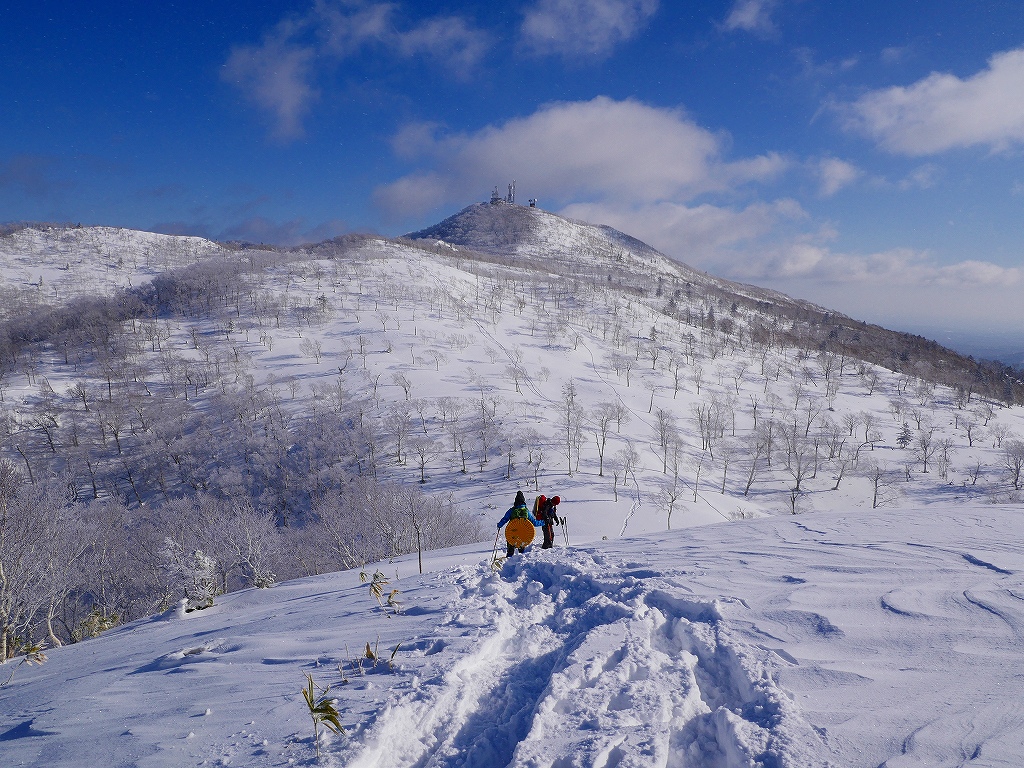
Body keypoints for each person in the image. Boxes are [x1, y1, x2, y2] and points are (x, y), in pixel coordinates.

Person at [496, 490, 542, 557]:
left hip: (512, 533)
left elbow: (505, 519)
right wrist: (543, 522)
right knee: (521, 547)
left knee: (511, 548)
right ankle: (520, 560)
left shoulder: (511, 510)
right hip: (523, 534)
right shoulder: (526, 512)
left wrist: (499, 525)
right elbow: (534, 523)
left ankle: (509, 559)